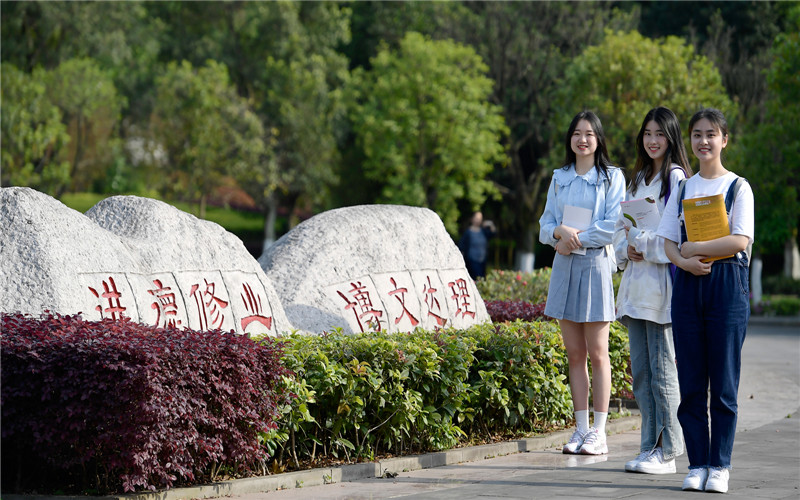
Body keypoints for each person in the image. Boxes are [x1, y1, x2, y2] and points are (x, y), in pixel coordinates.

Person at [656, 108, 754, 494]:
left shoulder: (738, 187)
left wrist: (694, 248)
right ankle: (697, 463)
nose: (703, 141)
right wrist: (684, 261)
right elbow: (667, 241)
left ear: (724, 140)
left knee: (724, 383)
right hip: (688, 286)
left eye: (711, 134)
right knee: (692, 381)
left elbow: (739, 241)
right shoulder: (682, 187)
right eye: (697, 134)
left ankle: (721, 465)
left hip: (727, 286)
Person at [539, 111, 625, 455]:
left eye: (589, 134)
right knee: (574, 354)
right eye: (577, 133)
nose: (583, 139)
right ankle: (580, 429)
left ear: (599, 139)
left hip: (595, 266)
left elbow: (613, 223)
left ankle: (600, 432)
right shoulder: (559, 178)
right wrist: (559, 233)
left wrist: (575, 238)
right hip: (564, 267)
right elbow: (545, 223)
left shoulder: (611, 177)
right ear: (570, 139)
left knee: (598, 353)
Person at [613, 107, 690, 474]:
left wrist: (640, 243)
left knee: (662, 373)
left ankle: (669, 450)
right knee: (642, 375)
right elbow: (618, 228)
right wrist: (623, 251)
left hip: (662, 292)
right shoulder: (639, 178)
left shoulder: (676, 179)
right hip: (635, 291)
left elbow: (678, 238)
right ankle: (649, 447)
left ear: (671, 137)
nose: (652, 140)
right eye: (647, 133)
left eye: (659, 133)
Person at [458, 211, 496, 279]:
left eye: (480, 218)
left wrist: (490, 224)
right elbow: (462, 247)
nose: (478, 220)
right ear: (472, 219)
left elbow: (493, 233)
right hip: (471, 262)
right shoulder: (468, 233)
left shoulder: (484, 231)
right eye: (477, 218)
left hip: (482, 262)